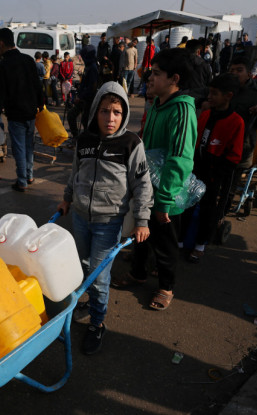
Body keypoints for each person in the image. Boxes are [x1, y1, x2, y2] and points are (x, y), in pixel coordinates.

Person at [58, 82, 152, 355]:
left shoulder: (131, 144)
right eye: (104, 111)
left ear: (123, 115)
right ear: (95, 111)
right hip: (80, 217)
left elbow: (142, 185)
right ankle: (91, 303)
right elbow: (75, 173)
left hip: (108, 222)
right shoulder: (85, 141)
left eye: (116, 112)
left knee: (99, 277)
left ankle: (98, 323)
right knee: (84, 267)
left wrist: (142, 221)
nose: (110, 118)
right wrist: (66, 198)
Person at [111, 48, 197, 311]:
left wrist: (165, 201)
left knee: (165, 244)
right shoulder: (158, 104)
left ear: (175, 79)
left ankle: (166, 287)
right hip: (147, 188)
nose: (150, 77)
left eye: (157, 73)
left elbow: (180, 159)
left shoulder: (182, 110)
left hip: (166, 195)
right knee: (141, 235)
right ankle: (138, 273)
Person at [186, 74, 244, 263]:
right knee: (187, 205)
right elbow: (195, 141)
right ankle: (181, 240)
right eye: (209, 92)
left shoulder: (236, 122)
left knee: (208, 211)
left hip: (216, 174)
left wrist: (217, 174)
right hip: (197, 168)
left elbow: (234, 155)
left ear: (228, 95)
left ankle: (200, 246)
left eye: (214, 93)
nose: (209, 96)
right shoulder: (206, 114)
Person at [0, 28, 44, 192]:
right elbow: (38, 86)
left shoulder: (3, 66)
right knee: (29, 147)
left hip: (16, 115)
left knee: (20, 149)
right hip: (31, 113)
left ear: (1, 43)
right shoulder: (28, 60)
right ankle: (29, 175)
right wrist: (40, 104)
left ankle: (22, 181)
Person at [227, 56, 257, 169]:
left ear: (249, 74)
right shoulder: (224, 87)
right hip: (222, 140)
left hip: (244, 144)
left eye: (239, 70)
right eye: (232, 70)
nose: (235, 74)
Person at [68, 45, 98, 140]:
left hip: (88, 100)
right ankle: (77, 137)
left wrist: (81, 97)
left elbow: (92, 87)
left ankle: (85, 141)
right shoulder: (89, 66)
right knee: (72, 116)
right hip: (83, 98)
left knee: (85, 121)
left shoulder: (93, 67)